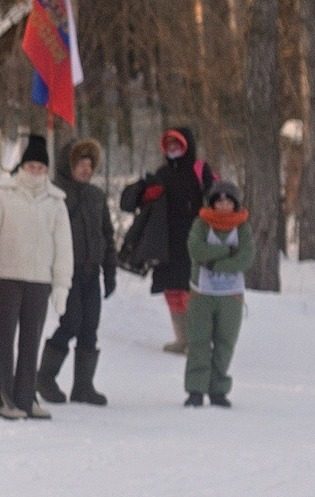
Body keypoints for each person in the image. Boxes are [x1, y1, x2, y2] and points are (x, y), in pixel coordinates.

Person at [0, 133, 72, 420]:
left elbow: (63, 246)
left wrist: (61, 285)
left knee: (31, 342)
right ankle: (0, 398)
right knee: (3, 341)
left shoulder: (56, 201)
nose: (35, 172)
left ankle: (25, 398)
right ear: (22, 166)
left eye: (40, 168)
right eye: (30, 166)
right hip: (6, 277)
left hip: (39, 280)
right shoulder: (2, 194)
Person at [121, 126, 216, 354]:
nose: (173, 149)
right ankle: (182, 339)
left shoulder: (199, 170)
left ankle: (197, 341)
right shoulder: (161, 174)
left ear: (187, 145)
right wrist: (146, 193)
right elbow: (130, 202)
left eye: (178, 144)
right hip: (166, 243)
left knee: (192, 291)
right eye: (169, 145)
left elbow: (218, 195)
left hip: (194, 241)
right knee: (172, 291)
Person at [38, 136, 119, 406]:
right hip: (66, 273)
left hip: (91, 272)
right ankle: (44, 377)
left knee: (90, 327)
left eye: (89, 165)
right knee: (71, 322)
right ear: (68, 165)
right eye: (80, 164)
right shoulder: (56, 194)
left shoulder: (96, 196)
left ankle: (83, 386)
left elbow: (106, 236)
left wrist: (110, 271)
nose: (85, 169)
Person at [183, 179, 253, 407]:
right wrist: (227, 250)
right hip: (201, 293)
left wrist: (215, 264)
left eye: (228, 202)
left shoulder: (242, 227)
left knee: (225, 343)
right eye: (219, 202)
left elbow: (246, 257)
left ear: (235, 204)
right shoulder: (201, 224)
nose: (223, 206)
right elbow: (196, 250)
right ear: (212, 203)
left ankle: (218, 389)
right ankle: (196, 389)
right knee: (198, 342)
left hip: (231, 296)